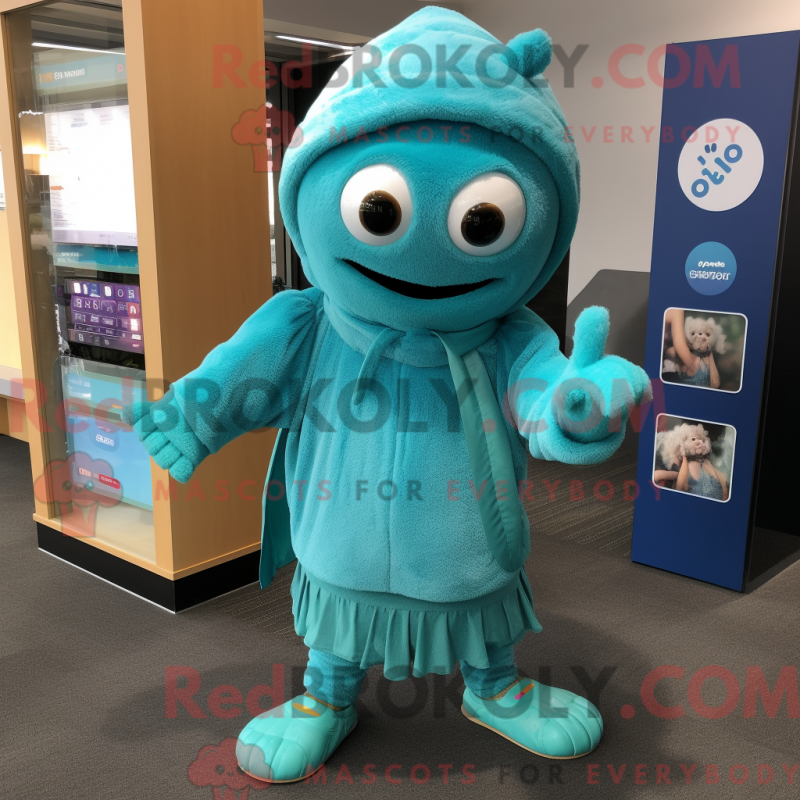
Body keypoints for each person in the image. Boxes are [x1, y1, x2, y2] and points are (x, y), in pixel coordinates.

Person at [124, 7, 650, 782]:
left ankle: (494, 688)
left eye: (481, 220)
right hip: (338, 529)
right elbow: (240, 371)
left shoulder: (511, 335)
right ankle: (325, 698)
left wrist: (577, 407)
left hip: (464, 539)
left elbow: (542, 398)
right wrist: (193, 416)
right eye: (380, 211)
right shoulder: (306, 320)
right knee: (335, 620)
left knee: (481, 611)